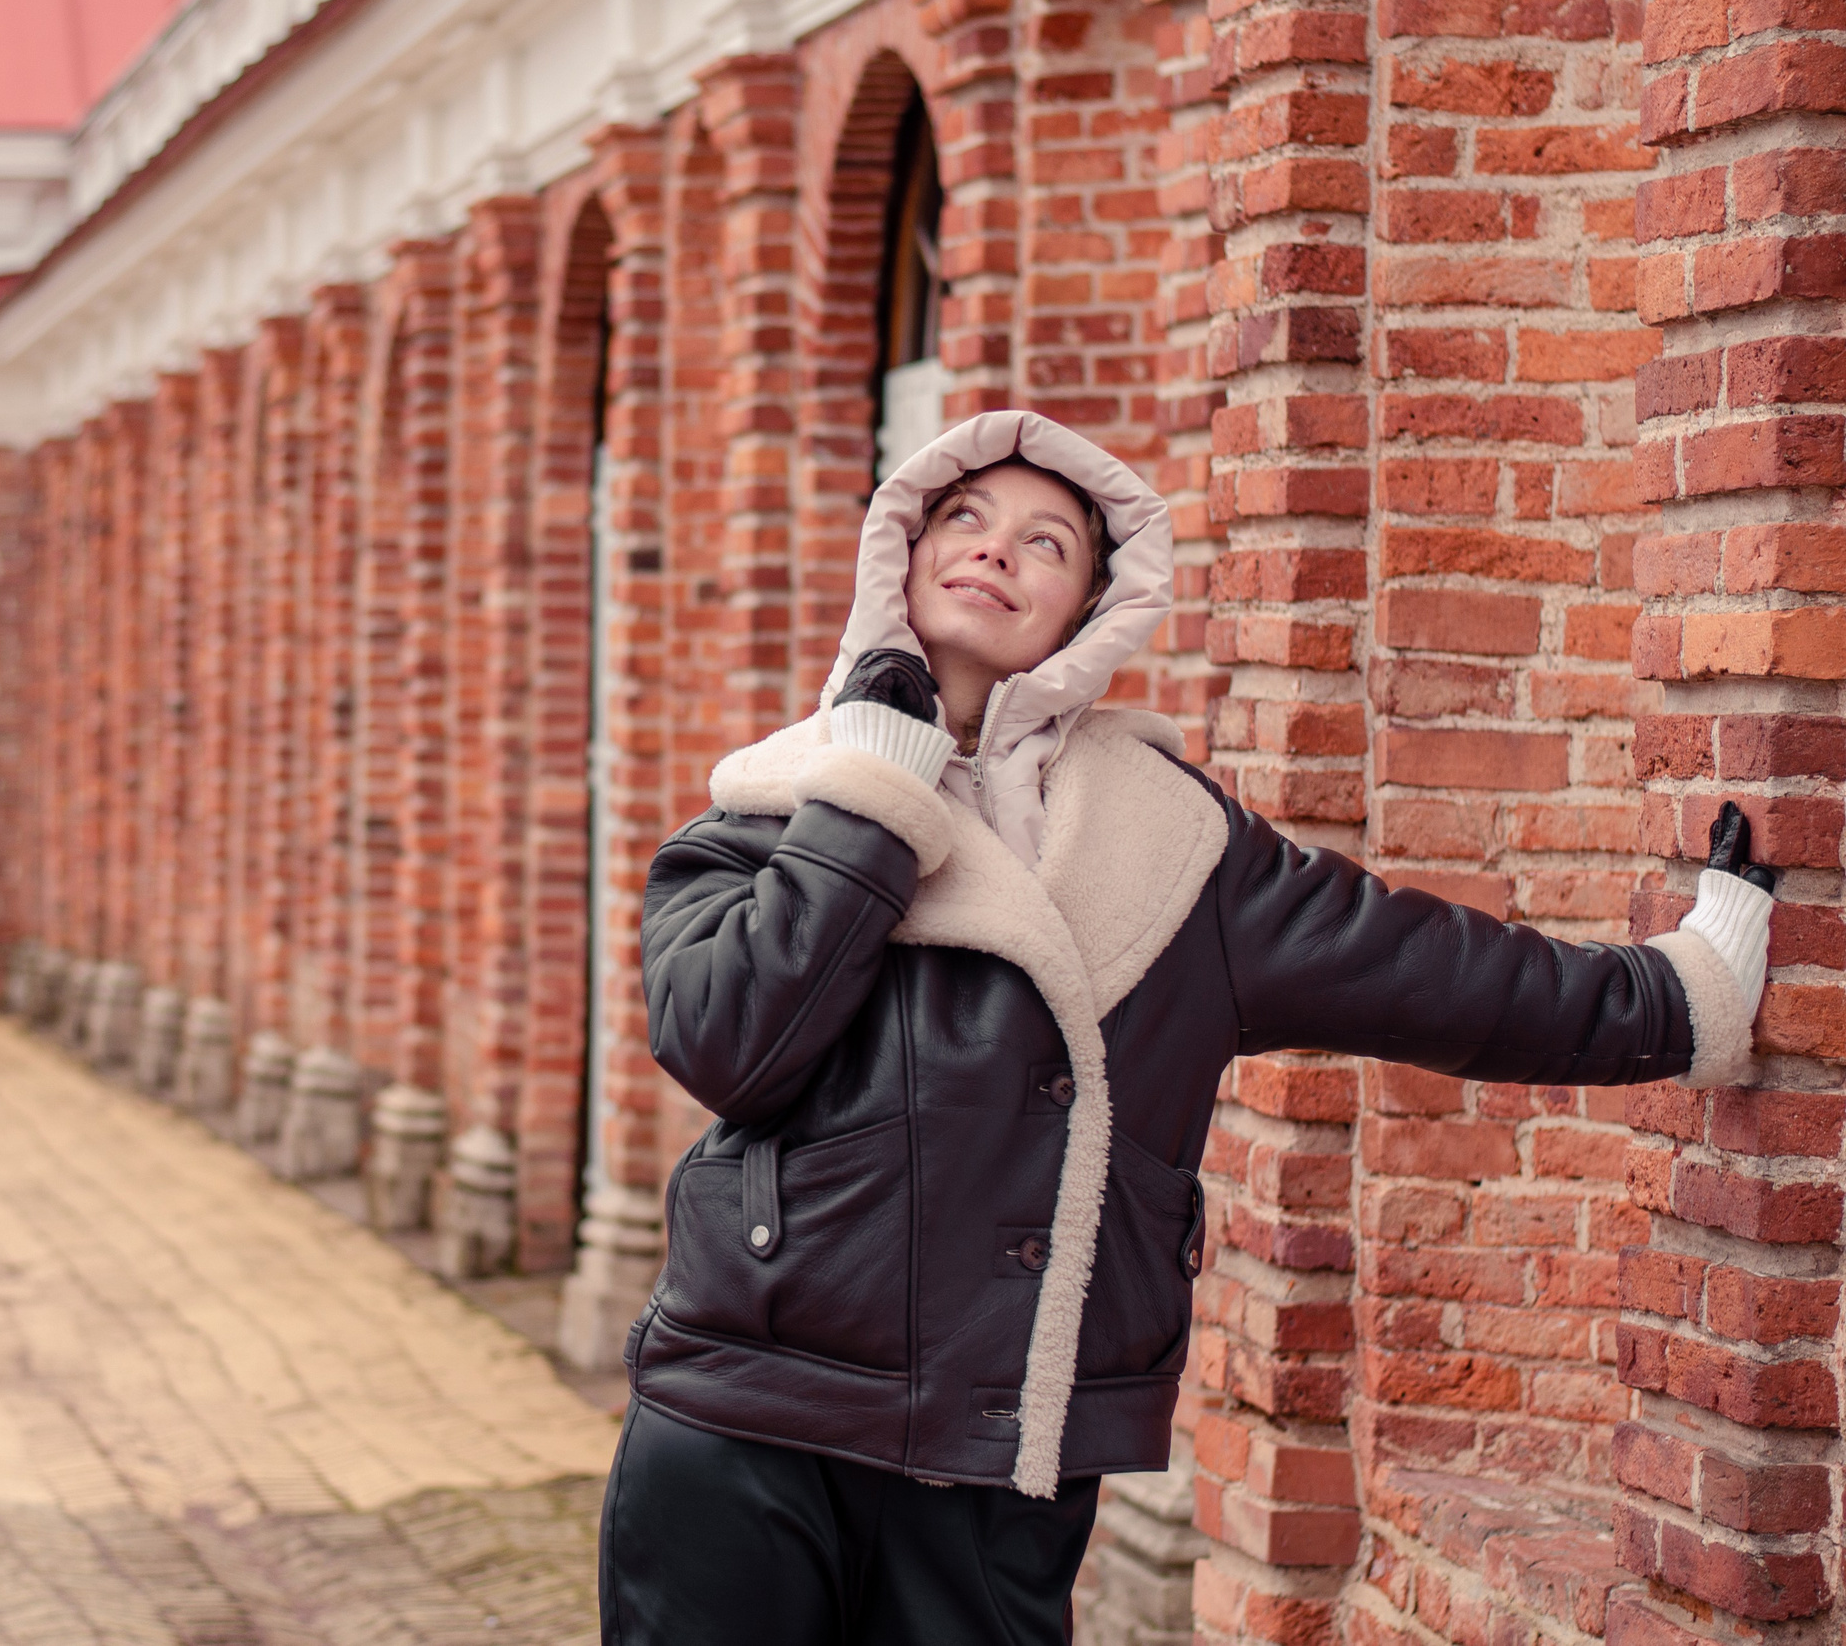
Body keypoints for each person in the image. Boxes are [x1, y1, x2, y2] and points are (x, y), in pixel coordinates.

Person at [599, 411, 1777, 1646]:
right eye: (963, 518)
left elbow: (1433, 974)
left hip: (996, 1448)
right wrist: (876, 793)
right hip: (742, 1414)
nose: (994, 551)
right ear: (900, 550)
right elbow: (731, 1046)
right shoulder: (763, 812)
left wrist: (1682, 992)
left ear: (1091, 612)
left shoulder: (1176, 848)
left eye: (1045, 543)